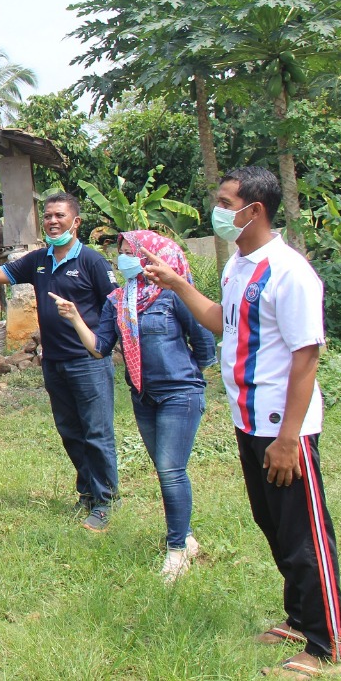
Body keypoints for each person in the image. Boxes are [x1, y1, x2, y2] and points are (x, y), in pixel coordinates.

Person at [141, 167, 341, 677]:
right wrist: (176, 284)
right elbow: (220, 319)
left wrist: (288, 438)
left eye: (223, 200)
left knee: (305, 534)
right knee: (272, 523)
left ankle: (327, 646)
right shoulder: (239, 265)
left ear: (252, 210)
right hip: (248, 420)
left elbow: (306, 357)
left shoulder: (288, 271)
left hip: (283, 426)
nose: (216, 209)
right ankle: (299, 620)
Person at [0, 193, 119, 532]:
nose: (52, 221)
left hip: (88, 362)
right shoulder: (38, 261)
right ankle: (88, 493)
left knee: (97, 431)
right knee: (70, 432)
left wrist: (105, 345)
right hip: (55, 362)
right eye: (47, 216)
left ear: (75, 222)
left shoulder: (92, 262)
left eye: (59, 215)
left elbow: (114, 306)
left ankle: (106, 500)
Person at [49, 230, 215, 582]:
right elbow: (99, 348)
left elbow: (204, 346)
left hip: (179, 394)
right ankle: (185, 535)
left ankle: (176, 551)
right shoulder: (117, 301)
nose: (122, 257)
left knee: (171, 471)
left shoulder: (175, 295)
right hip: (143, 397)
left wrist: (182, 376)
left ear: (151, 257)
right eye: (120, 251)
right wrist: (76, 318)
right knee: (165, 471)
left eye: (130, 251)